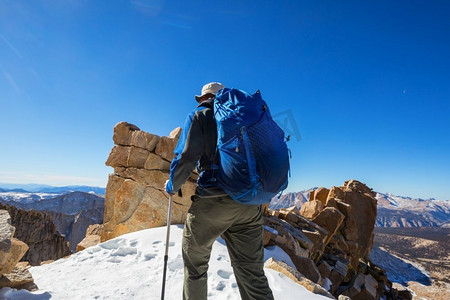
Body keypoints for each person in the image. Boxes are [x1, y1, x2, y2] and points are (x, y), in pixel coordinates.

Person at [164, 82, 274, 300]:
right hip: (250, 205)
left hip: (214, 201)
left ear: (204, 98)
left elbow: (186, 157)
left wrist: (172, 185)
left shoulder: (200, 116)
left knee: (195, 267)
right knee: (252, 272)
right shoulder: (245, 118)